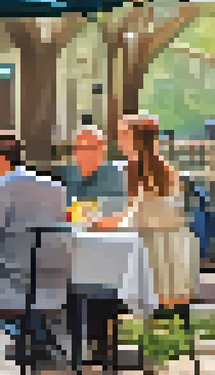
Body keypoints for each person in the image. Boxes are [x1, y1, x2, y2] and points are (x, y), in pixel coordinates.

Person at [0, 132, 71, 360]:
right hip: (53, 284)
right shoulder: (56, 188)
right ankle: (35, 339)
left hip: (13, 285)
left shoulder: (0, 190)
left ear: (2, 160)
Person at [109, 114, 198, 307]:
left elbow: (137, 218)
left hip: (150, 254)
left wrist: (106, 223)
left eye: (124, 134)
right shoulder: (164, 170)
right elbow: (141, 212)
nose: (119, 141)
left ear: (137, 139)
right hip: (170, 251)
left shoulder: (140, 172)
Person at [60, 125, 128, 220]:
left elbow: (118, 213)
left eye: (87, 148)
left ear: (102, 150)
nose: (80, 153)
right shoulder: (67, 174)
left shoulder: (115, 176)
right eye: (77, 148)